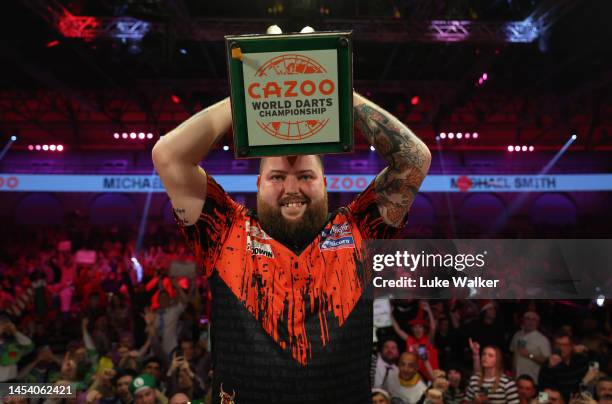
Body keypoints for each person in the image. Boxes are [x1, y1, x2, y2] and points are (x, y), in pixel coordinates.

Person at [152, 88, 431, 404]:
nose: (291, 188)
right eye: (277, 177)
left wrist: (336, 87)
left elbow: (413, 159)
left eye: (305, 176)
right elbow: (169, 156)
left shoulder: (358, 232)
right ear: (258, 184)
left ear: (325, 182)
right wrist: (248, 92)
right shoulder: (226, 230)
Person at [539, 331, 589, 402]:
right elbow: (542, 389)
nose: (561, 348)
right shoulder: (547, 364)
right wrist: (549, 368)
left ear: (571, 346)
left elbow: (597, 365)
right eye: (558, 345)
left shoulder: (580, 360)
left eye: (564, 345)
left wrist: (587, 350)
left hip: (578, 401)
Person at [510, 311, 551, 383]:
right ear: (523, 320)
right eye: (527, 318)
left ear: (538, 323)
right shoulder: (517, 335)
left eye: (534, 319)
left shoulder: (542, 339)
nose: (530, 322)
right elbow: (514, 355)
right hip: (516, 378)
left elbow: (547, 361)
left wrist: (530, 355)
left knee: (538, 394)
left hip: (532, 379)